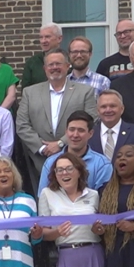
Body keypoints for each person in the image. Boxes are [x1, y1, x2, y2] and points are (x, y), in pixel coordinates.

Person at [16, 49, 97, 193]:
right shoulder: (30, 92)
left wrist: (61, 143)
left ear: (67, 66)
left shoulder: (85, 91)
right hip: (38, 159)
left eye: (58, 64)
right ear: (45, 68)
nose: (54, 67)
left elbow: (91, 120)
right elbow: (22, 124)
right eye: (50, 64)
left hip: (75, 158)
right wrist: (42, 148)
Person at [37, 110, 113, 196]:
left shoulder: (102, 164)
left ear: (91, 133)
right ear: (66, 131)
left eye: (81, 130)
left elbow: (104, 199)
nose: (75, 135)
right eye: (71, 130)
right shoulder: (50, 162)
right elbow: (43, 196)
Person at [88, 90, 134, 170]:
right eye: (103, 107)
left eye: (112, 106)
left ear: (122, 109)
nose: (108, 110)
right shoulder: (88, 135)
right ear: (98, 111)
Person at [21, 23, 63, 89]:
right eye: (41, 37)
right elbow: (25, 90)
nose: (43, 41)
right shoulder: (32, 63)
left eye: (47, 37)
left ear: (59, 38)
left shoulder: (68, 60)